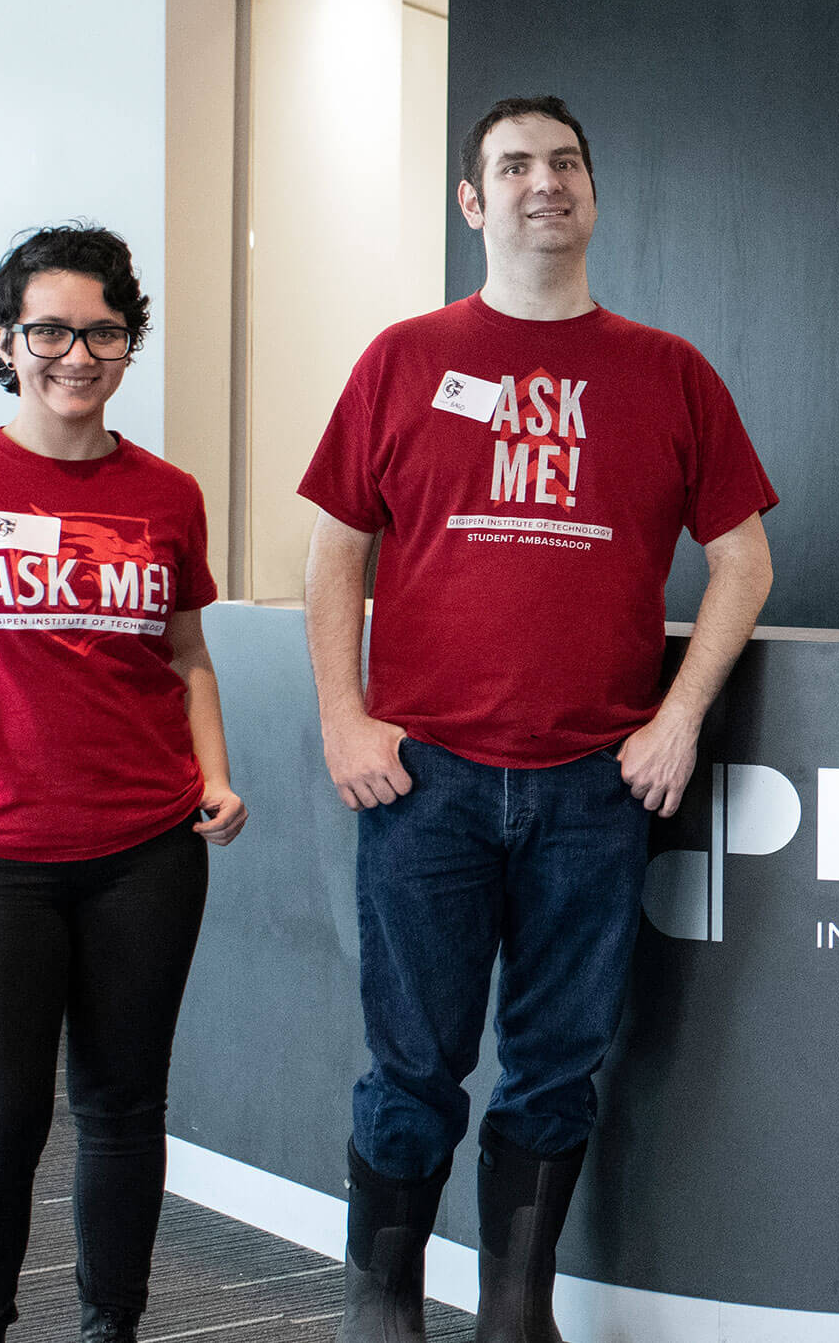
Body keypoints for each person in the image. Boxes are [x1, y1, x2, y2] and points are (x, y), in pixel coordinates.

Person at [300, 95, 777, 1343]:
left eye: (564, 163)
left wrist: (677, 718)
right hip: (423, 780)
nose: (541, 183)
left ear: (592, 194)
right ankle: (381, 1309)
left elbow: (744, 561)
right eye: (512, 166)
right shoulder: (403, 359)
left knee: (556, 1065)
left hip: (592, 787)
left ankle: (515, 1310)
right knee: (413, 1064)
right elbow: (333, 553)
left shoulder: (668, 371)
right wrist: (344, 720)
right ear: (472, 202)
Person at [0, 225, 246, 1343]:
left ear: (129, 343)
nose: (78, 353)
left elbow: (185, 655)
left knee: (123, 1110)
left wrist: (212, 774)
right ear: (5, 340)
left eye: (104, 331)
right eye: (51, 329)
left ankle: (108, 1327)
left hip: (146, 853)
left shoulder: (166, 494)